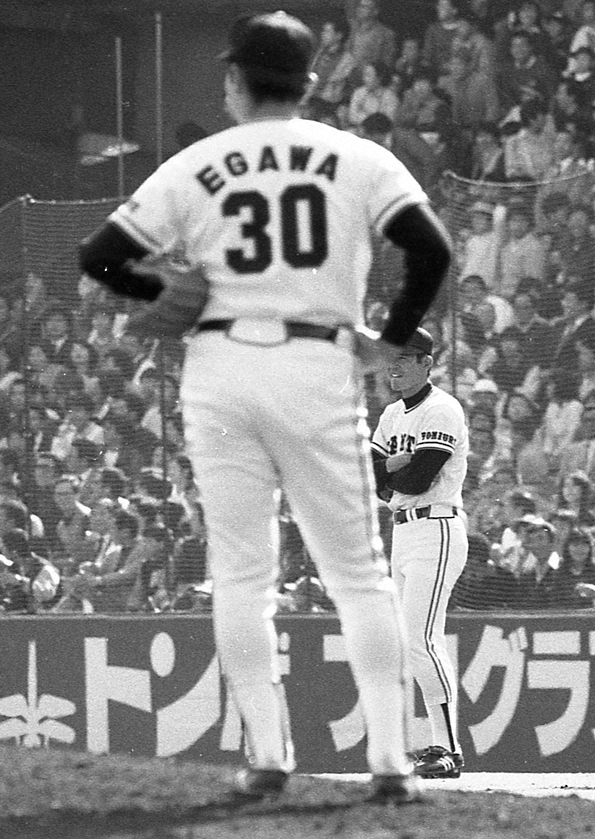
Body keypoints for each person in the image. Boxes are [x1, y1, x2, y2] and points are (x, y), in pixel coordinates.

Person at [78, 11, 451, 805]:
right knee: (359, 575)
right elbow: (432, 248)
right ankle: (391, 761)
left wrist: (160, 289)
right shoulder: (357, 157)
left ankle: (269, 756)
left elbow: (100, 255)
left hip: (219, 366)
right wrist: (388, 341)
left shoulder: (197, 163)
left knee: (242, 576)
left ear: (234, 81)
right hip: (317, 362)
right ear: (310, 83)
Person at [370, 326, 469, 781]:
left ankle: (448, 749)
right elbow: (366, 473)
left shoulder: (441, 408)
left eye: (403, 358)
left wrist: (389, 471)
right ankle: (441, 745)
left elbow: (419, 479)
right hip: (404, 531)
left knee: (421, 640)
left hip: (437, 526)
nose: (393, 366)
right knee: (416, 643)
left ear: (426, 363)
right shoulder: (392, 414)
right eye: (390, 358)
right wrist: (393, 465)